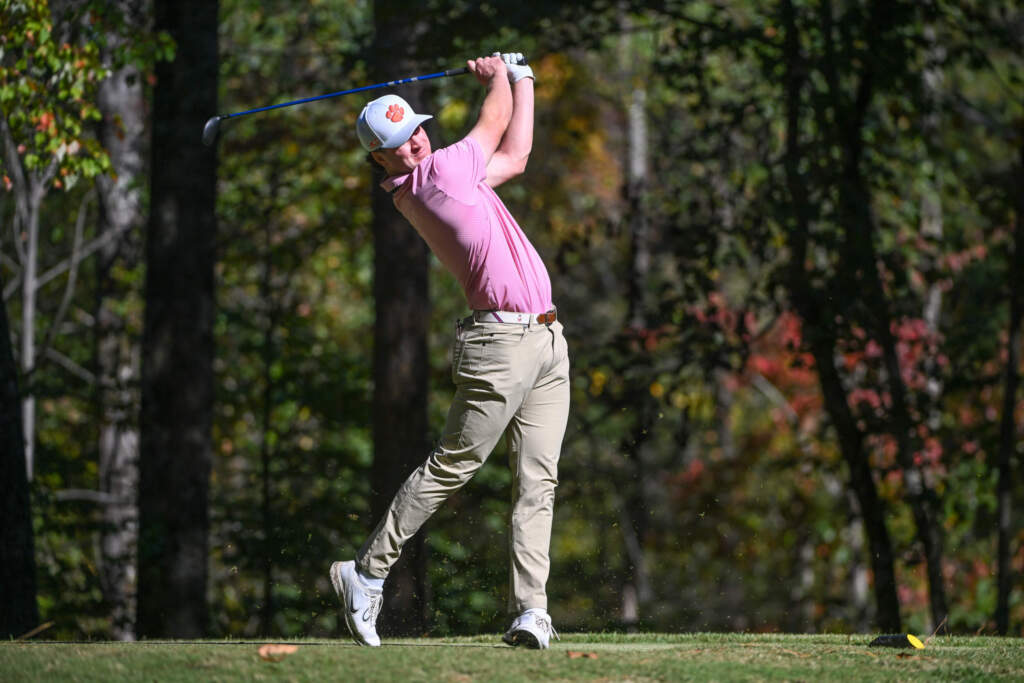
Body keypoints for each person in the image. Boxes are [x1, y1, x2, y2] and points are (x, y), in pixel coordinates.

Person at [330, 52, 570, 649]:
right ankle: (366, 573)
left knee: (537, 480)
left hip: (546, 339)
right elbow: (494, 121)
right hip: (501, 343)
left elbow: (516, 154)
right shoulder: (438, 177)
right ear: (380, 158)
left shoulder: (454, 176)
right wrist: (498, 75)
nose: (414, 143)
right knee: (453, 464)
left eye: (415, 131)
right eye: (398, 143)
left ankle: (531, 611)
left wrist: (523, 77)